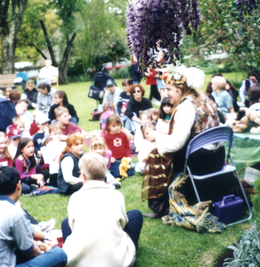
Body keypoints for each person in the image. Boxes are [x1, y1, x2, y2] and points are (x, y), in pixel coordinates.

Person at [142, 66, 221, 219]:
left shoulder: (186, 107)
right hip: (217, 157)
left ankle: (162, 207)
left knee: (156, 154)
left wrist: (156, 136)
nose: (166, 94)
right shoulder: (205, 98)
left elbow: (175, 144)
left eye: (168, 89)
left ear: (179, 89)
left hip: (200, 162)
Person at [0, 166, 67, 267]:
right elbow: (30, 252)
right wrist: (46, 249)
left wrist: (40, 245)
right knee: (59, 254)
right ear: (18, 185)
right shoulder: (14, 212)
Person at [61, 153, 143, 267]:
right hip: (116, 262)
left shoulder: (75, 197)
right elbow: (123, 223)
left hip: (79, 262)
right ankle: (126, 253)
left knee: (65, 223)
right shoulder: (117, 195)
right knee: (135, 214)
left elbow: (73, 227)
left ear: (83, 176)